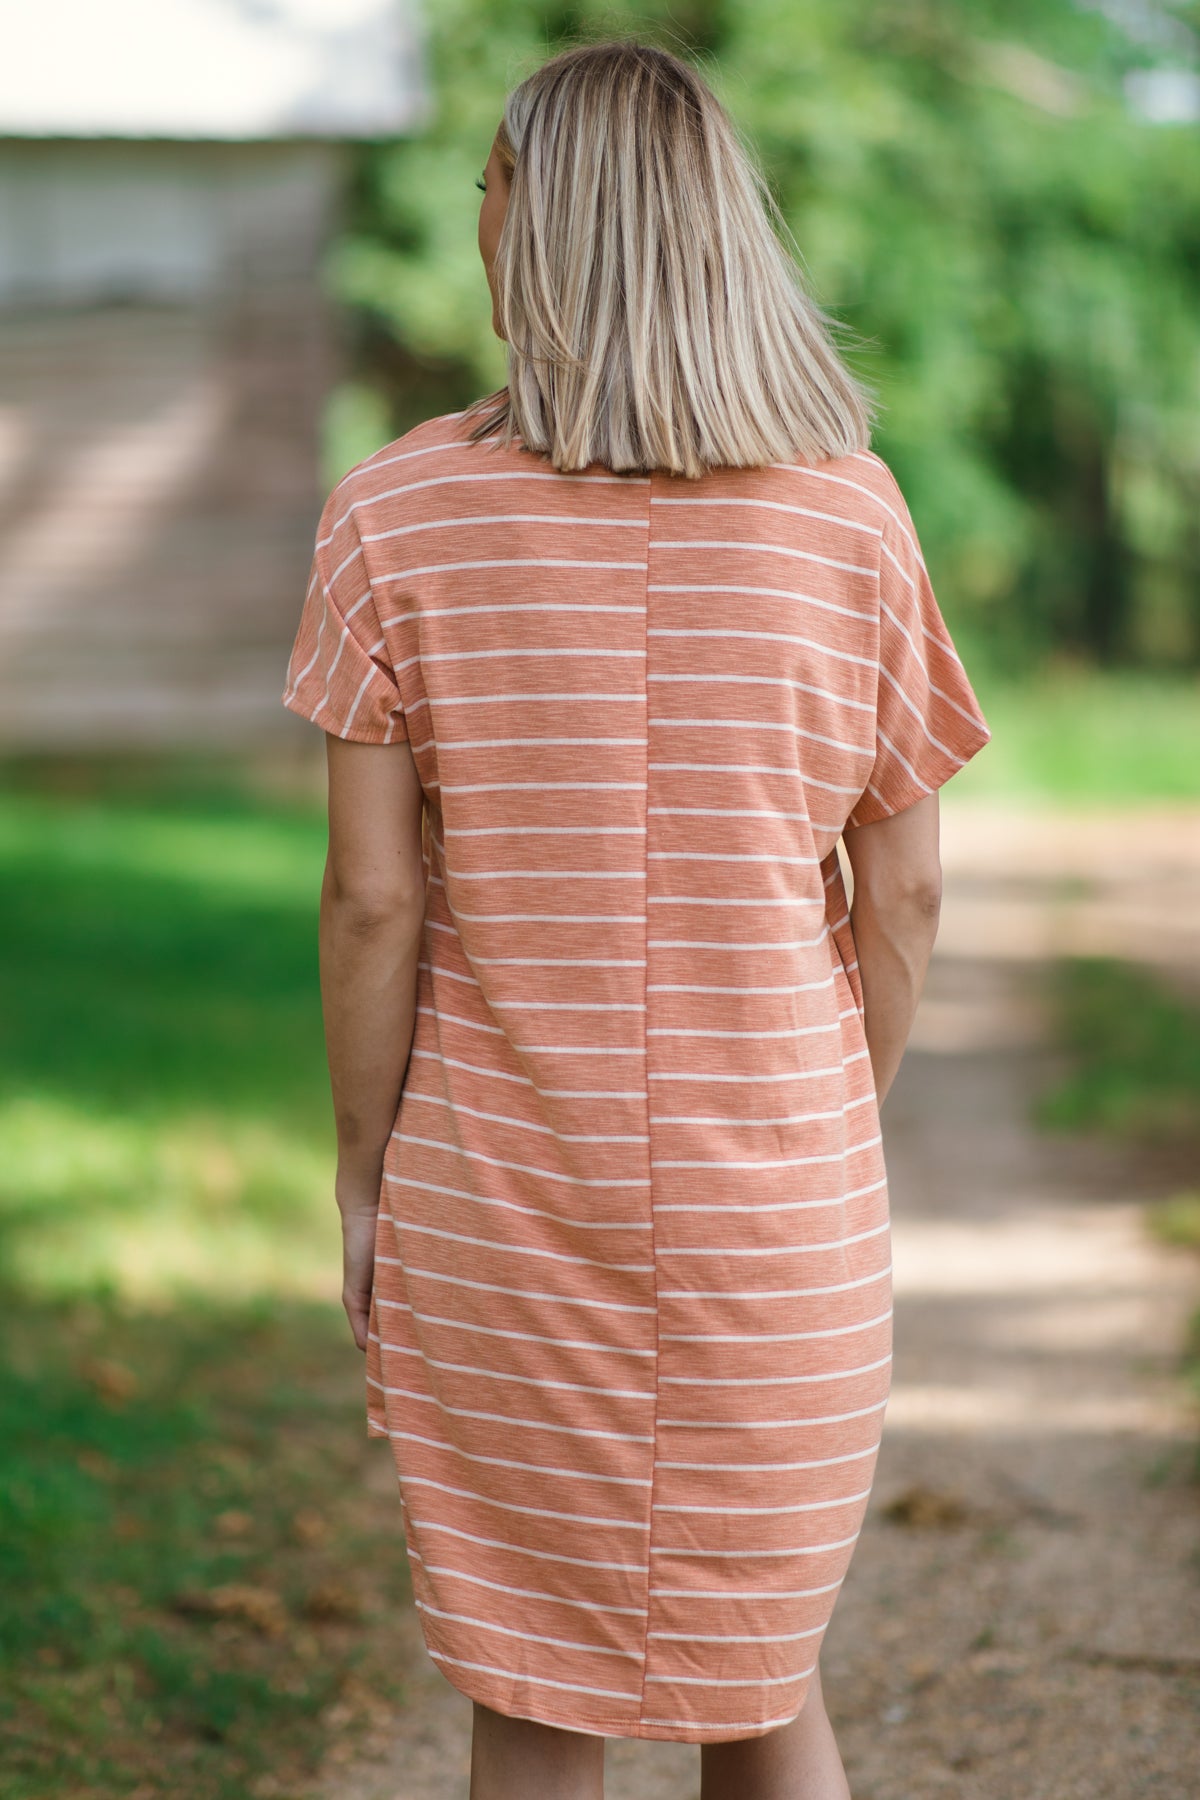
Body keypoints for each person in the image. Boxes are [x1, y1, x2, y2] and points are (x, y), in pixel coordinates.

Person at [282, 37, 990, 1800]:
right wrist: (829, 1111)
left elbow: (375, 902)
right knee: (766, 1687)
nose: (472, 212)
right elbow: (899, 888)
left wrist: (366, 1180)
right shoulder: (853, 517)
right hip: (783, 1215)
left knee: (531, 1705)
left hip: (496, 1204)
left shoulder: (394, 515)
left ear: (547, 224)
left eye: (492, 180)